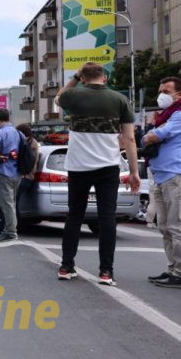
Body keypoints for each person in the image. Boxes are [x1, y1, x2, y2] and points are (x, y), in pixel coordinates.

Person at [54, 62, 139, 286]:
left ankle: (66, 266)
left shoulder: (73, 96)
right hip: (108, 167)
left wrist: (74, 77)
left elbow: (57, 98)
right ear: (105, 78)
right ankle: (106, 272)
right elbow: (129, 139)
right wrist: (134, 172)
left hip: (78, 166)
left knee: (74, 216)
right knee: (107, 218)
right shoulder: (120, 100)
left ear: (83, 78)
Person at [140, 77, 181, 289]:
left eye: (166, 91)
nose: (162, 95)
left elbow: (157, 135)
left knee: (178, 227)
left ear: (179, 95)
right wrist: (150, 134)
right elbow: (149, 136)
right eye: (160, 90)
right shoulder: (167, 115)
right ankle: (174, 269)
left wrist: (151, 134)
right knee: (165, 227)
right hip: (163, 176)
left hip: (178, 176)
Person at [0, 108, 22, 242]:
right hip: (17, 171)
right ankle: (11, 229)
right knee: (11, 202)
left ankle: (11, 232)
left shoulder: (0, 132)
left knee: (6, 203)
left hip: (4, 171)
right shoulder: (17, 132)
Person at [15, 123, 41, 215]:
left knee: (13, 200)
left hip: (25, 176)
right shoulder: (33, 142)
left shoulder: (26, 142)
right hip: (29, 176)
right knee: (15, 200)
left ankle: (15, 225)